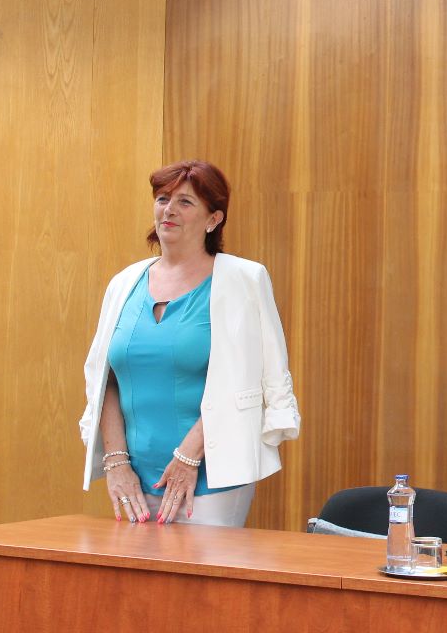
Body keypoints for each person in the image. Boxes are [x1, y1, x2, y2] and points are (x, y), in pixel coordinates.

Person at [78, 160, 300, 526]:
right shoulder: (124, 283)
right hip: (134, 478)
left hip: (213, 478)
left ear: (213, 219)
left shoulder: (244, 279)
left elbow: (248, 377)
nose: (169, 210)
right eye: (162, 199)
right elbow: (106, 380)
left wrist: (187, 456)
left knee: (205, 566)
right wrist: (116, 461)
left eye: (185, 202)